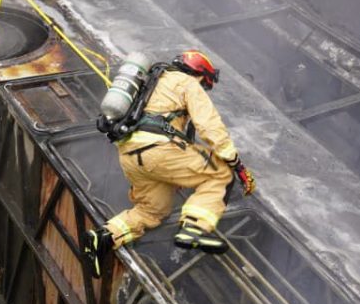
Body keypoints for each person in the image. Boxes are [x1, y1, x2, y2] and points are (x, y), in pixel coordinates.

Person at [84, 50, 255, 276]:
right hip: (159, 149)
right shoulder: (187, 82)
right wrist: (236, 164)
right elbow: (209, 125)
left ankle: (104, 237)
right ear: (199, 74)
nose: (204, 87)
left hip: (131, 155)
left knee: (153, 210)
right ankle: (194, 228)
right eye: (205, 83)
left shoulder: (152, 83)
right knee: (220, 172)